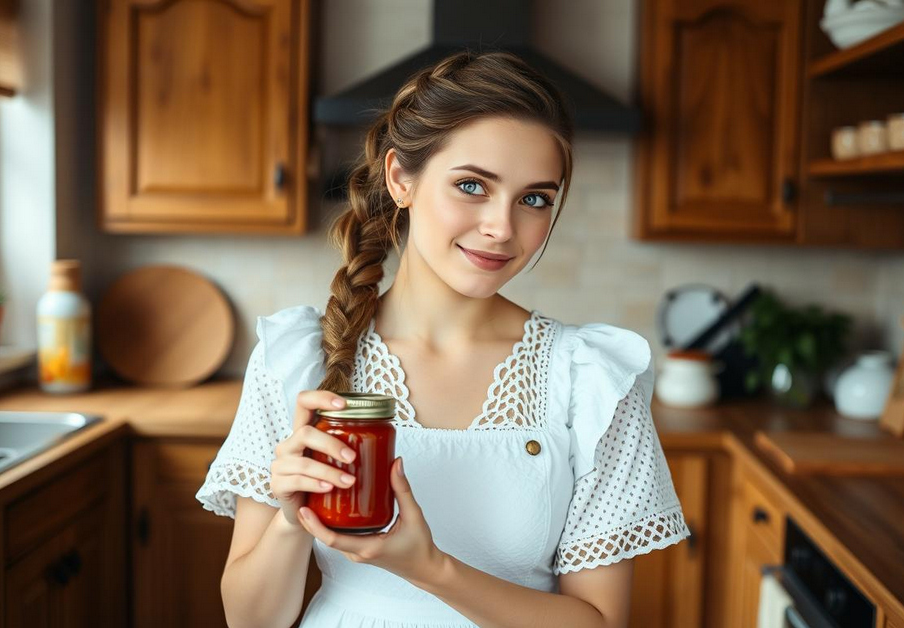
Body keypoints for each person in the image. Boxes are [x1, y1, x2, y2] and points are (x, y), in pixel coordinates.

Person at [196, 49, 689, 628]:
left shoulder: (593, 380)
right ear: (400, 178)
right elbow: (251, 622)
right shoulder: (299, 359)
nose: (502, 228)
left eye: (534, 198)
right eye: (472, 186)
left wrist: (429, 567)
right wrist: (289, 518)